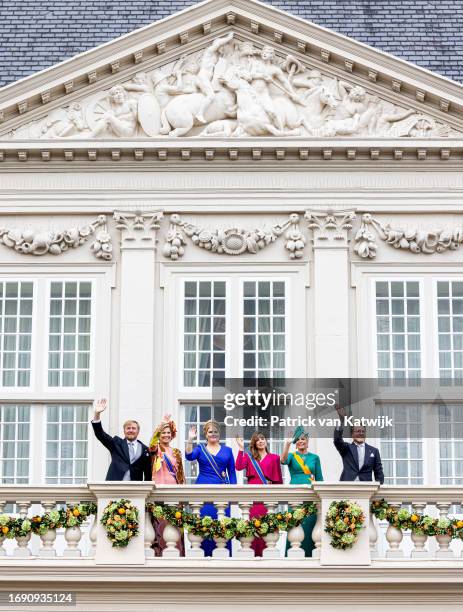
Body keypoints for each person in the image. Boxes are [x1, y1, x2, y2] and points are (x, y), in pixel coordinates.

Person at [185, 419, 237, 556]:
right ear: (205, 434)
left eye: (215, 432)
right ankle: (200, 556)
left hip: (222, 490)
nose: (213, 434)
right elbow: (189, 456)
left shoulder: (228, 450)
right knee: (202, 522)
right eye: (210, 432)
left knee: (221, 523)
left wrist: (233, 491)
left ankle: (223, 556)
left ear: (219, 433)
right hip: (203, 488)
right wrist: (190, 439)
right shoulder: (200, 449)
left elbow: (231, 472)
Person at [235, 432, 283, 556]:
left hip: (267, 498)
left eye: (262, 438)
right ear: (254, 443)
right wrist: (241, 448)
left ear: (266, 441)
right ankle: (253, 556)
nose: (261, 441)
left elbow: (278, 482)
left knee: (266, 528)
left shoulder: (275, 458)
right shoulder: (249, 458)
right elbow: (238, 466)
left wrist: (277, 499)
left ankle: (266, 556)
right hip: (253, 498)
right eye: (258, 440)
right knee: (253, 527)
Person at [280, 426, 323, 557]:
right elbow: (283, 460)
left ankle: (310, 555)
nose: (301, 442)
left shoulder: (315, 458)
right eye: (298, 440)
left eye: (303, 439)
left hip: (310, 495)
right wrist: (287, 444)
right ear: (295, 443)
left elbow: (320, 479)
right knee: (296, 523)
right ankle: (293, 555)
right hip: (295, 494)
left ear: (307, 441)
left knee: (310, 524)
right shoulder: (292, 456)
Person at [149, 414, 185, 556]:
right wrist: (161, 424)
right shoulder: (156, 449)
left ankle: (178, 553)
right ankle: (161, 553)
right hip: (160, 489)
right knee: (161, 522)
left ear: (172, 435)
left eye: (168, 432)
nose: (166, 435)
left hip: (175, 489)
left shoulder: (176, 452)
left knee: (175, 522)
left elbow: (181, 473)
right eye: (163, 433)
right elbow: (151, 443)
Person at [91, 398, 151, 481]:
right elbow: (100, 434)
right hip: (115, 487)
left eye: (133, 428)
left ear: (138, 431)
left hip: (135, 490)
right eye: (128, 428)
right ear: (124, 431)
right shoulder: (116, 443)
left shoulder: (145, 449)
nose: (131, 430)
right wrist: (97, 414)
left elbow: (148, 474)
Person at [334, 405, 384, 484]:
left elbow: (379, 472)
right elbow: (337, 440)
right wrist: (342, 420)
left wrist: (379, 489)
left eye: (362, 431)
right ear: (352, 434)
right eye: (358, 431)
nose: (360, 433)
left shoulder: (374, 451)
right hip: (347, 487)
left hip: (366, 489)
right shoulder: (346, 448)